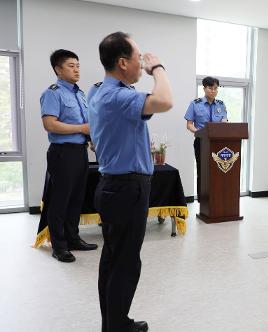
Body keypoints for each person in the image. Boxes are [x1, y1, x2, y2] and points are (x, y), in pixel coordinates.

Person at [88, 32, 173, 332]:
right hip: (127, 189)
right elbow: (164, 100)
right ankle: (116, 327)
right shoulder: (119, 96)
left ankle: (113, 322)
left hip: (114, 185)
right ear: (123, 62)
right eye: (139, 58)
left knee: (113, 259)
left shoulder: (97, 91)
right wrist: (159, 69)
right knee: (126, 263)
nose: (143, 64)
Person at [39, 49, 98, 263]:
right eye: (71, 66)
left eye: (78, 65)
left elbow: (86, 125)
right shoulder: (53, 93)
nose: (76, 70)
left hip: (80, 152)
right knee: (60, 200)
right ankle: (59, 245)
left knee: (76, 199)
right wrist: (82, 129)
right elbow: (50, 124)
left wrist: (90, 138)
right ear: (58, 69)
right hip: (62, 154)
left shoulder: (80, 94)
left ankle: (73, 238)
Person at [184, 76, 227, 199]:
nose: (213, 91)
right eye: (210, 88)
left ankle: (217, 196)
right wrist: (199, 133)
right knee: (202, 171)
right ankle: (203, 198)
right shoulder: (195, 104)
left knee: (218, 170)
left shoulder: (221, 104)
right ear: (204, 89)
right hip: (201, 142)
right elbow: (189, 125)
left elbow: (224, 121)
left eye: (215, 88)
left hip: (218, 143)